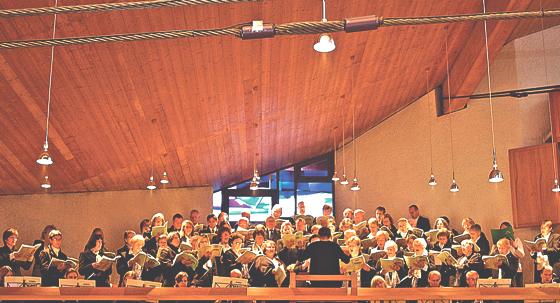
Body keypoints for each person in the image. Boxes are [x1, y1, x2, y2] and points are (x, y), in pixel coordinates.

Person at [499, 221, 525, 287]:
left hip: (515, 271)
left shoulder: (516, 240)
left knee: (517, 291)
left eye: (505, 230)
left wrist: (515, 246)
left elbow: (522, 255)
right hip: (503, 271)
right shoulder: (499, 241)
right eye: (501, 230)